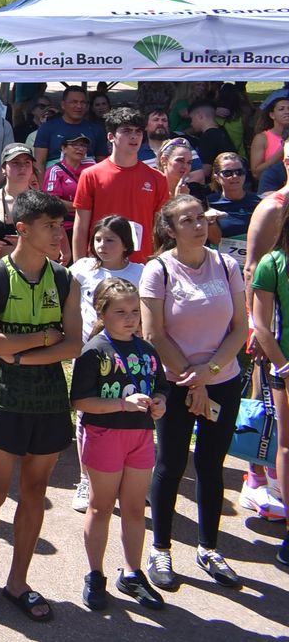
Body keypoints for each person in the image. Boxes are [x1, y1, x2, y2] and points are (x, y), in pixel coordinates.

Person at [0, 189, 81, 623]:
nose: (58, 234)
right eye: (49, 226)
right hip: (1, 397)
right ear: (22, 230)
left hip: (48, 400)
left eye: (61, 226)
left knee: (34, 492)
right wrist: (46, 338)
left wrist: (24, 350)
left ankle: (18, 582)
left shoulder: (65, 279)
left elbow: (75, 343)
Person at [140, 194, 250, 590]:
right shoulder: (159, 270)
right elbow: (154, 333)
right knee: (169, 464)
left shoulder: (226, 264)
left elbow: (241, 328)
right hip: (176, 382)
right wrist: (193, 378)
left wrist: (211, 372)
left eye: (201, 218)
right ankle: (161, 549)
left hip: (222, 379)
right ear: (171, 229)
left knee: (210, 464)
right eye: (187, 220)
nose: (198, 225)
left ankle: (209, 548)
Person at [71, 281, 169, 611]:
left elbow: (161, 388)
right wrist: (124, 405)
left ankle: (132, 573)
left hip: (140, 436)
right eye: (120, 312)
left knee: (134, 508)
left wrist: (160, 402)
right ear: (102, 313)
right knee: (100, 507)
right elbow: (81, 401)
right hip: (105, 435)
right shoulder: (95, 350)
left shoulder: (147, 350)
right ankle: (95, 574)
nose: (130, 319)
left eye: (134, 312)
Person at [66, 215, 144, 512]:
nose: (102, 245)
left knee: (131, 413)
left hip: (131, 357)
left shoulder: (141, 272)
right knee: (88, 414)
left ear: (127, 244)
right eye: (98, 239)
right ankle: (86, 479)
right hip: (90, 355)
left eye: (110, 239)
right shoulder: (83, 268)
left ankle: (129, 480)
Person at [72, 107, 168, 263]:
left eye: (138, 131)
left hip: (142, 265)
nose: (134, 136)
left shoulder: (157, 178)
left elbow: (161, 229)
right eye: (127, 131)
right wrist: (78, 269)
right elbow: (81, 227)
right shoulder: (91, 175)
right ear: (111, 136)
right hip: (100, 264)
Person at [249, 212, 289, 569]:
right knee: (287, 446)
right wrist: (286, 367)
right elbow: (261, 325)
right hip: (284, 368)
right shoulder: (272, 264)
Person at [32, 86, 109, 170]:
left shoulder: (96, 129)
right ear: (63, 105)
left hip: (87, 180)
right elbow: (39, 163)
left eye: (82, 102)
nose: (79, 106)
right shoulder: (47, 128)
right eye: (74, 102)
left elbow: (102, 164)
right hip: (55, 180)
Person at [251, 89, 289, 180]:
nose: (287, 112)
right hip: (271, 187)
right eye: (281, 109)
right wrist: (282, 153)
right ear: (272, 115)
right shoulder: (262, 138)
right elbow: (256, 173)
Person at [44, 132, 92, 204]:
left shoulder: (92, 166)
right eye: (75, 145)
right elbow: (52, 201)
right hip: (67, 214)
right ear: (64, 148)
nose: (81, 149)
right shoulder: (55, 171)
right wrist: (83, 207)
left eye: (84, 146)